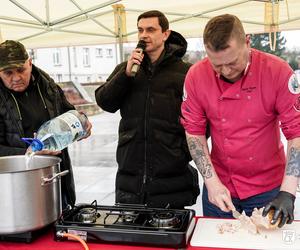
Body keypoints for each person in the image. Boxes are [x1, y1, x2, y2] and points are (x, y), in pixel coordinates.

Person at [181, 14, 300, 227]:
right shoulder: (196, 76)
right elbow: (194, 133)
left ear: (247, 41)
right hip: (220, 185)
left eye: (232, 62)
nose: (226, 71)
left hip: (268, 187)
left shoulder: (278, 72)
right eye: (217, 65)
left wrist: (288, 192)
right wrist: (212, 182)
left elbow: (296, 132)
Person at [95, 10, 199, 208]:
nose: (144, 35)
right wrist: (124, 76)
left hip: (171, 178)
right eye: (140, 30)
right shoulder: (125, 69)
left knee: (169, 235)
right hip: (130, 177)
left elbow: (204, 118)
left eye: (151, 29)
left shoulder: (186, 72)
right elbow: (105, 103)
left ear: (165, 34)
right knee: (131, 236)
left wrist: (183, 152)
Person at [0, 40, 92, 209]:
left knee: (59, 227)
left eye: (21, 70)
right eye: (8, 73)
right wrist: (27, 152)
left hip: (57, 178)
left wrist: (82, 123)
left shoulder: (48, 86)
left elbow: (70, 113)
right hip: (16, 187)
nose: (16, 77)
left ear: (30, 63)